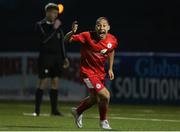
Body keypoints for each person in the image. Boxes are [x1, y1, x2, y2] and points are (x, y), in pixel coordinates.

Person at [64, 17, 118, 129]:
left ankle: (78, 111)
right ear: (95, 27)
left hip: (100, 73)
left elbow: (111, 50)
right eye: (99, 25)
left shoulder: (112, 40)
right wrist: (72, 32)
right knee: (106, 95)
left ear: (108, 28)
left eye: (104, 25)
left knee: (95, 98)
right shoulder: (87, 36)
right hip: (87, 73)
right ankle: (103, 121)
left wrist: (110, 68)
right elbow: (66, 40)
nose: (101, 28)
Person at [34, 3, 69, 116]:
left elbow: (62, 44)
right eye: (52, 12)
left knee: (55, 82)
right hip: (45, 58)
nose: (54, 15)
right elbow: (44, 40)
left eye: (56, 13)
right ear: (47, 13)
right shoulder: (40, 25)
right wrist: (54, 28)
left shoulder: (59, 27)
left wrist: (65, 57)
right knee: (42, 82)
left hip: (57, 59)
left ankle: (54, 110)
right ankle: (37, 110)